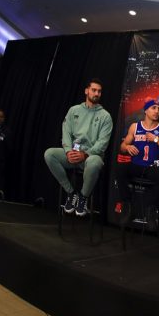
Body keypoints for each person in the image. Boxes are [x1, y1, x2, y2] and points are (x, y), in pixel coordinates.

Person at [45, 80, 113, 216]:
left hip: (91, 156)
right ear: (86, 91)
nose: (97, 93)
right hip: (72, 154)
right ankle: (70, 193)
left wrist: (86, 154)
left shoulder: (105, 116)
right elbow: (66, 132)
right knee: (49, 154)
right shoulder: (74, 110)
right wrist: (68, 151)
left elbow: (102, 143)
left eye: (99, 91)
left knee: (95, 162)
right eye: (94, 90)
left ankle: (83, 197)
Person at [116, 98, 159, 224]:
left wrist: (156, 140)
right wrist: (127, 147)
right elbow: (122, 147)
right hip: (136, 165)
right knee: (121, 168)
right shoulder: (135, 127)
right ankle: (127, 205)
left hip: (152, 167)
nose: (157, 111)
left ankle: (151, 208)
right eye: (153, 108)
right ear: (146, 110)